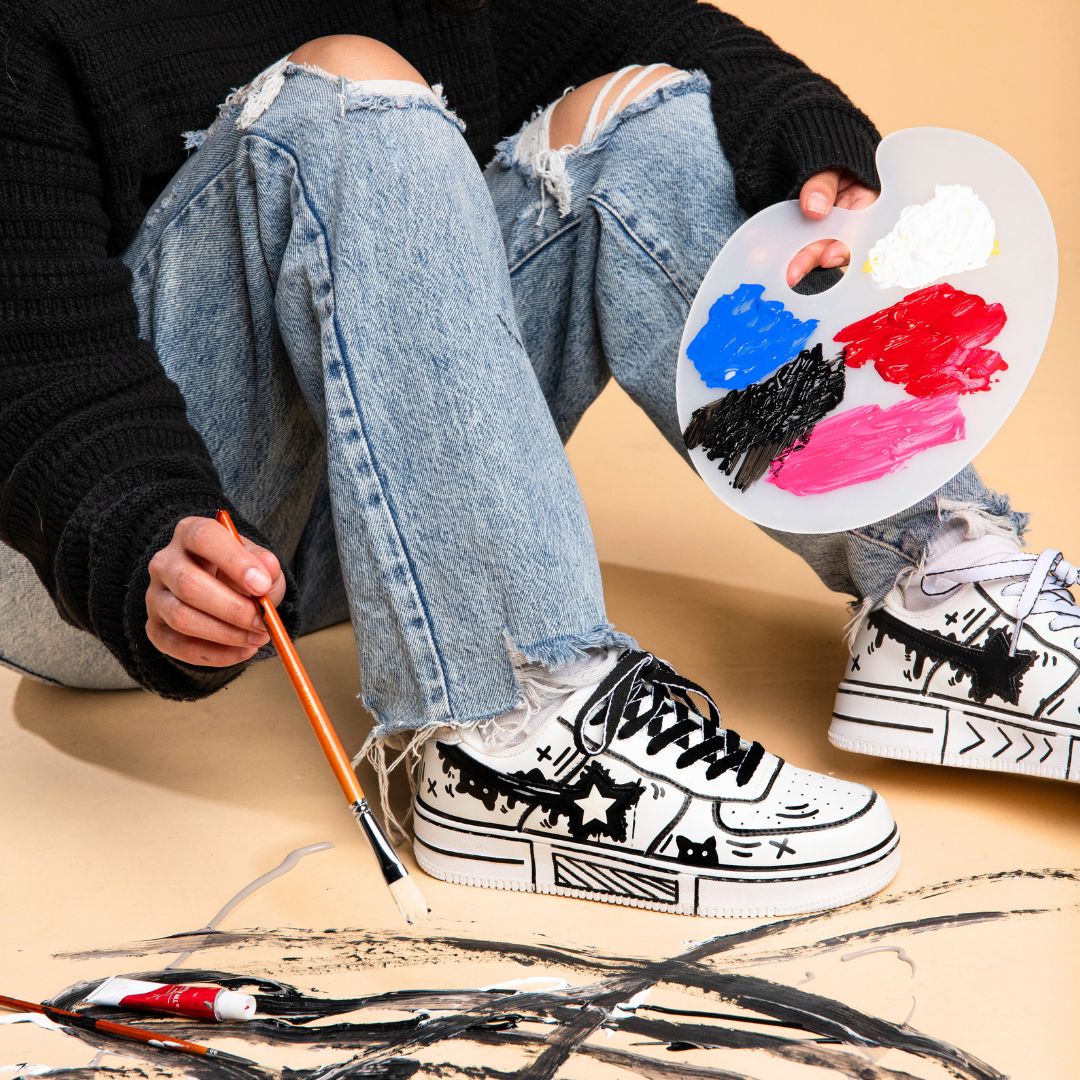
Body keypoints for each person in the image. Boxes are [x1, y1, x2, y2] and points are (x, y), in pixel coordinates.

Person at [2, 1, 1071, 919]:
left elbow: (641, 21)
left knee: (648, 117)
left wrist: (796, 117)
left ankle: (936, 585)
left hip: (388, 507)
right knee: (348, 94)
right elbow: (29, 357)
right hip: (121, 554)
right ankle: (509, 723)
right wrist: (136, 535)